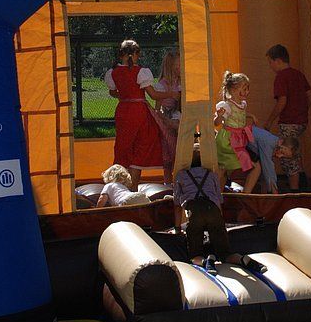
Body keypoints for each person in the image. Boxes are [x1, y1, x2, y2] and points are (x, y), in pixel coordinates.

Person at [174, 145, 266, 276]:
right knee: (225, 253)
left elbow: (177, 205)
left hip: (194, 211)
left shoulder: (181, 175)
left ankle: (206, 260)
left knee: (195, 255)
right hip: (213, 209)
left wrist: (177, 228)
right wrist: (221, 222)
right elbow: (218, 200)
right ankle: (242, 259)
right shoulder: (211, 175)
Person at [109, 39, 177, 190]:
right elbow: (153, 95)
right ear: (135, 54)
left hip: (123, 111)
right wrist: (171, 94)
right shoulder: (141, 72)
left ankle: (119, 187)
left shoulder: (113, 72)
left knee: (124, 145)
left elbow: (112, 92)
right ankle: (133, 187)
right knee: (142, 145)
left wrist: (125, 96)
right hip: (139, 112)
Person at [264, 44, 311, 191]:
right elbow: (310, 94)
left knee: (287, 155)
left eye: (270, 62)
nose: (270, 66)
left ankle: (294, 190)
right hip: (301, 122)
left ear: (278, 61)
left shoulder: (281, 77)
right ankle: (302, 182)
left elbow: (282, 101)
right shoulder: (298, 74)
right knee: (295, 151)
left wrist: (269, 121)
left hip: (288, 122)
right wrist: (303, 110)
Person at [214, 71, 261, 195]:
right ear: (233, 90)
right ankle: (217, 195)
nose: (247, 92)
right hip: (228, 141)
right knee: (223, 168)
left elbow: (240, 113)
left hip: (239, 140)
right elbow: (217, 123)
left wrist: (251, 116)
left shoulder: (242, 104)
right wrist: (219, 116)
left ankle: (242, 194)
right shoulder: (227, 106)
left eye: (247, 89)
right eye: (244, 89)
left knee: (224, 169)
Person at [150, 49, 181, 185]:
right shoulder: (162, 84)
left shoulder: (180, 82)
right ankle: (167, 182)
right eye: (177, 66)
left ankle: (179, 180)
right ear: (170, 67)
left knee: (178, 150)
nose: (180, 68)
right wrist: (163, 119)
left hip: (177, 113)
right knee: (167, 150)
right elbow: (157, 108)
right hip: (166, 115)